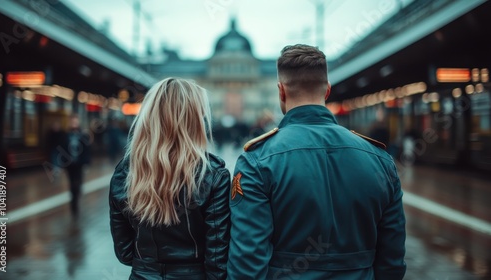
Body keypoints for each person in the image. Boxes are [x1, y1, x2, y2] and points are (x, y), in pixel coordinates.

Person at [227, 44, 406, 279]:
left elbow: (247, 266)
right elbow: (392, 262)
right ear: (327, 91)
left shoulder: (256, 161)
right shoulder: (380, 160)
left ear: (281, 91)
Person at [109, 78, 231, 280]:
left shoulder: (125, 171)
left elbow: (124, 252)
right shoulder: (212, 175)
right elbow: (217, 257)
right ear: (194, 119)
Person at [63, 114, 91, 217]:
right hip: (70, 165)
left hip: (80, 164)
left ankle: (77, 195)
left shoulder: (83, 135)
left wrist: (86, 163)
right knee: (72, 184)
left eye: (75, 121)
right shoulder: (66, 135)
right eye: (72, 121)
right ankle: (74, 202)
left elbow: (87, 150)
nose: (74, 123)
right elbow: (62, 148)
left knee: (78, 183)